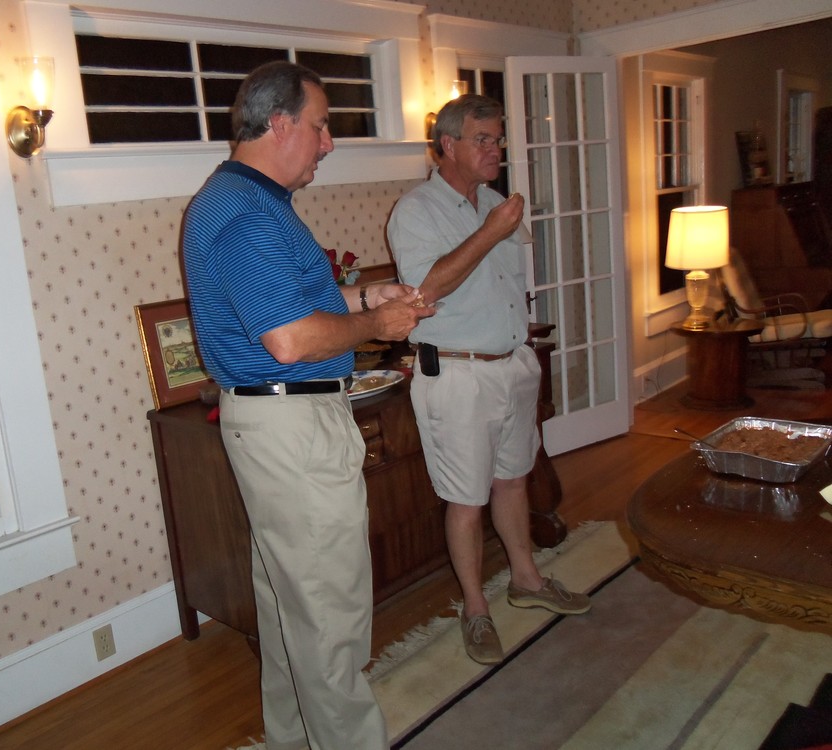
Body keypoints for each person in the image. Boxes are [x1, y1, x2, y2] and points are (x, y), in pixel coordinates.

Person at [182, 61, 434, 750]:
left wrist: (367, 296)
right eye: (321, 127)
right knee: (329, 615)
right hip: (290, 424)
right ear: (280, 123)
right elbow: (290, 340)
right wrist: (376, 326)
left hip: (278, 422)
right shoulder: (244, 213)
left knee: (292, 606)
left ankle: (293, 740)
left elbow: (293, 306)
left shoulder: (249, 202)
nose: (329, 143)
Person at [386, 94, 590, 666]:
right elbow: (426, 290)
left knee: (513, 480)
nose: (495, 149)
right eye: (483, 139)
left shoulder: (496, 203)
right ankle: (475, 608)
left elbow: (504, 286)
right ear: (448, 145)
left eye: (498, 140)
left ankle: (527, 579)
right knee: (466, 499)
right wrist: (490, 232)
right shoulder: (416, 211)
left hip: (512, 364)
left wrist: (497, 226)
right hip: (458, 374)